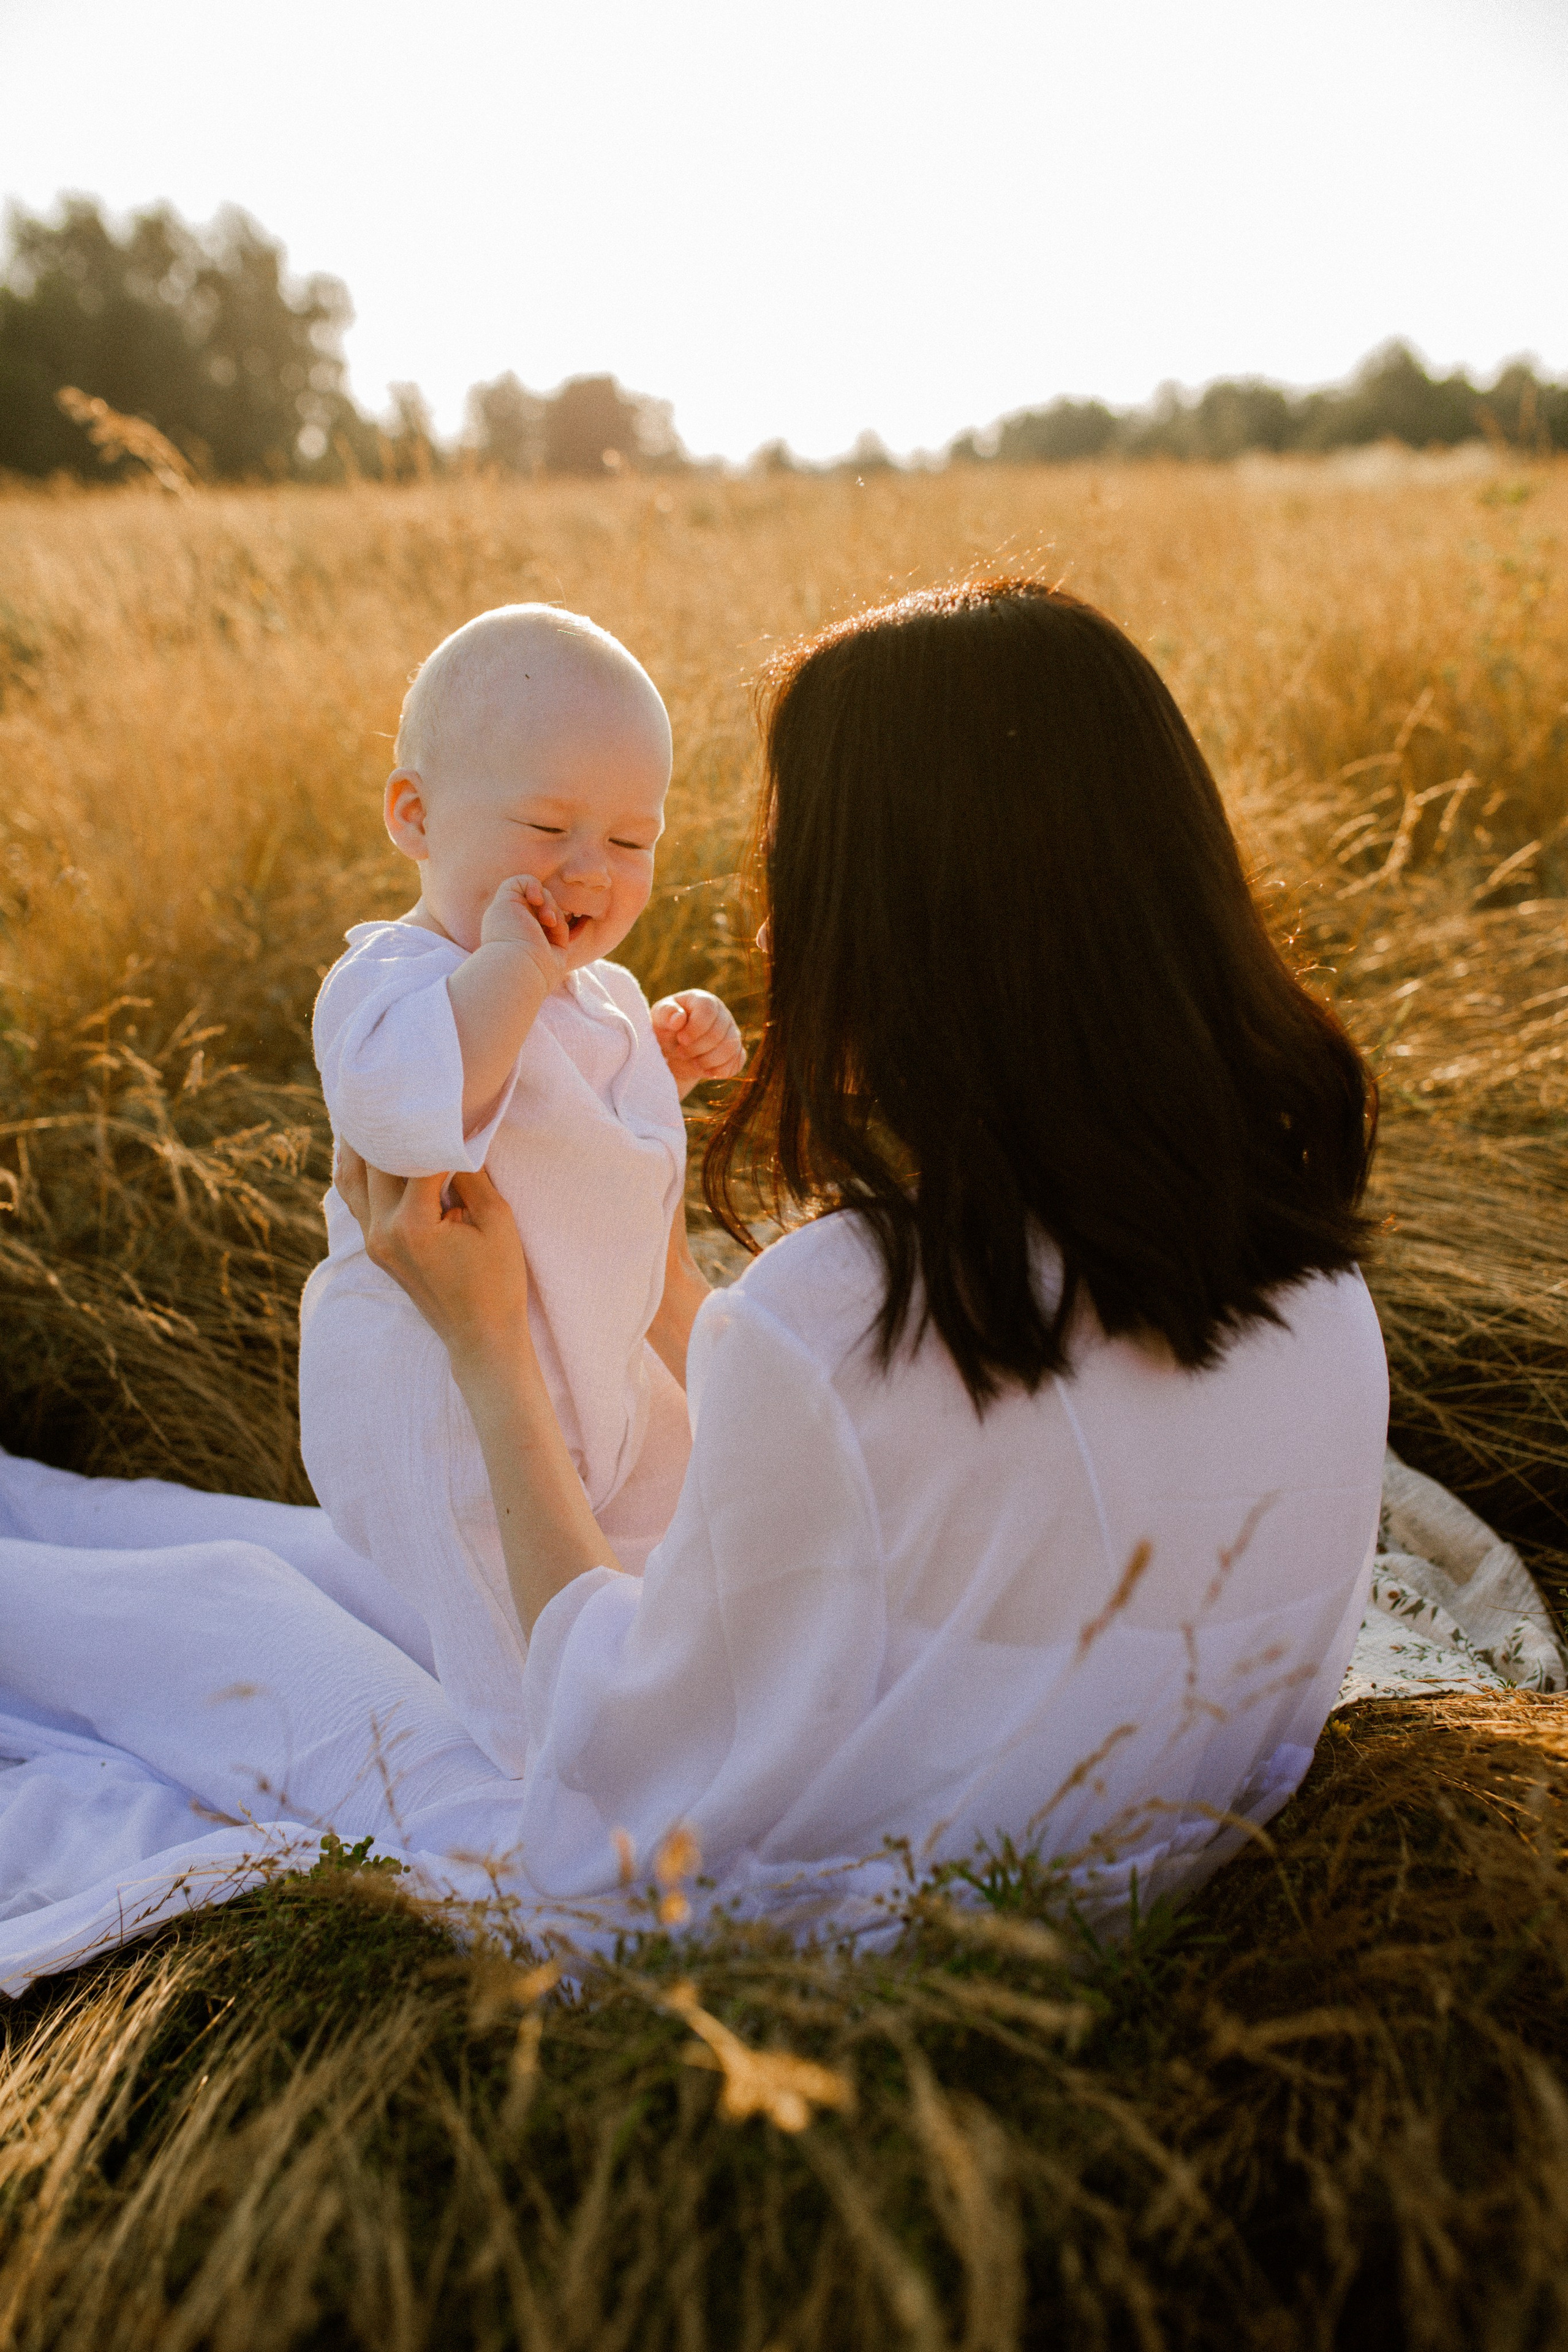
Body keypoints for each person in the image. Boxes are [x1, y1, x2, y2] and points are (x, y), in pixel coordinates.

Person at [0, 579, 1387, 1989]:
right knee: (300, 1563)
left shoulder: (862, 1302)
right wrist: (655, 1272)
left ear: (900, 922)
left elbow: (608, 1755)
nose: (772, 927)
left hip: (729, 1914)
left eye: (790, 874)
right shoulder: (1315, 1289)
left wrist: (487, 1350)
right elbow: (853, 1456)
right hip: (1072, 1869)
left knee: (228, 1616)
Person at [299, 604, 744, 1771]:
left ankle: (674, 1656)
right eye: (548, 824)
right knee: (495, 1597)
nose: (588, 869)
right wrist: (509, 968)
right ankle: (530, 1747)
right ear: (416, 817)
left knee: (686, 1511)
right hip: (445, 1392)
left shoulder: (594, 995)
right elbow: (406, 1108)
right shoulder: (393, 980)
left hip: (597, 1358)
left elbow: (594, 1149)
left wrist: (664, 1057)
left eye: (633, 842)